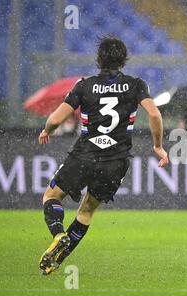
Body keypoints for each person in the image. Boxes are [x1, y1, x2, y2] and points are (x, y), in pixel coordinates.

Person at [38, 36, 169, 275]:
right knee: (86, 211)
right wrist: (158, 146)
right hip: (115, 161)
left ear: (99, 60)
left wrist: (47, 130)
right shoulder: (136, 84)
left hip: (85, 154)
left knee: (51, 197)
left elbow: (56, 119)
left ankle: (58, 234)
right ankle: (56, 260)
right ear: (123, 60)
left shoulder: (84, 85)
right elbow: (154, 115)